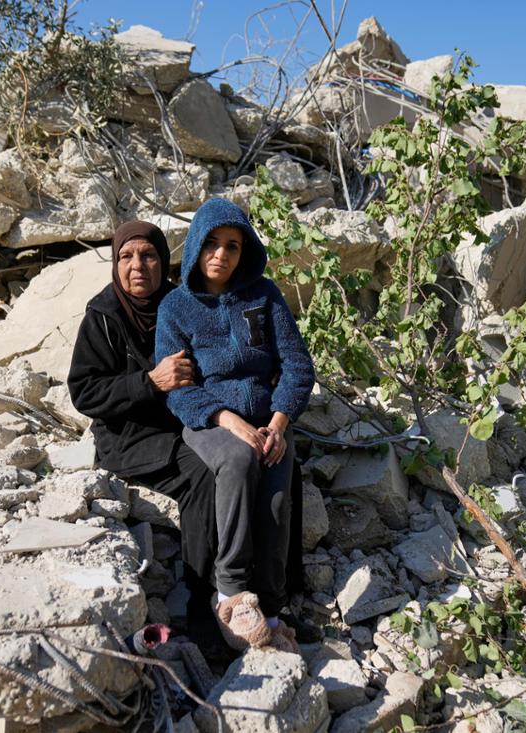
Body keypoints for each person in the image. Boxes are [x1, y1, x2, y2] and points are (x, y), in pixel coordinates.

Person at [155, 198, 315, 653]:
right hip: (208, 419)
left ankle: (271, 610)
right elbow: (179, 389)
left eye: (232, 246)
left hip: (268, 420)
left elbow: (298, 367)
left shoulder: (264, 295)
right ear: (195, 247)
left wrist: (279, 424)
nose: (221, 255)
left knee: (279, 493)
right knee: (240, 458)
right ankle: (231, 594)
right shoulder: (175, 308)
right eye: (211, 243)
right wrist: (229, 421)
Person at [67, 221, 224, 655]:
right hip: (129, 440)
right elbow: (85, 392)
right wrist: (150, 382)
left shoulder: (181, 304)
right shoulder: (103, 316)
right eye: (126, 257)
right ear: (116, 264)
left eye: (149, 256)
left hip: (186, 422)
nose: (138, 266)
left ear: (164, 261)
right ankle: (201, 605)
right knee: (204, 478)